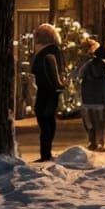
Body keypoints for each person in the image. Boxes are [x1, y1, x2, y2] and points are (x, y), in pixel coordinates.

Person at [30, 24, 65, 162]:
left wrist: (57, 85)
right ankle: (46, 152)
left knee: (46, 121)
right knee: (47, 122)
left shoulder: (48, 52)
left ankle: (46, 153)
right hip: (48, 92)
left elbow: (53, 72)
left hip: (47, 92)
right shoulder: (51, 51)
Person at [74, 40, 105, 151]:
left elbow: (78, 78)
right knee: (100, 122)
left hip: (88, 99)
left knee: (90, 122)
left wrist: (81, 92)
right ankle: (100, 142)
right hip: (100, 99)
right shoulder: (103, 67)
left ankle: (92, 142)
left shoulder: (87, 66)